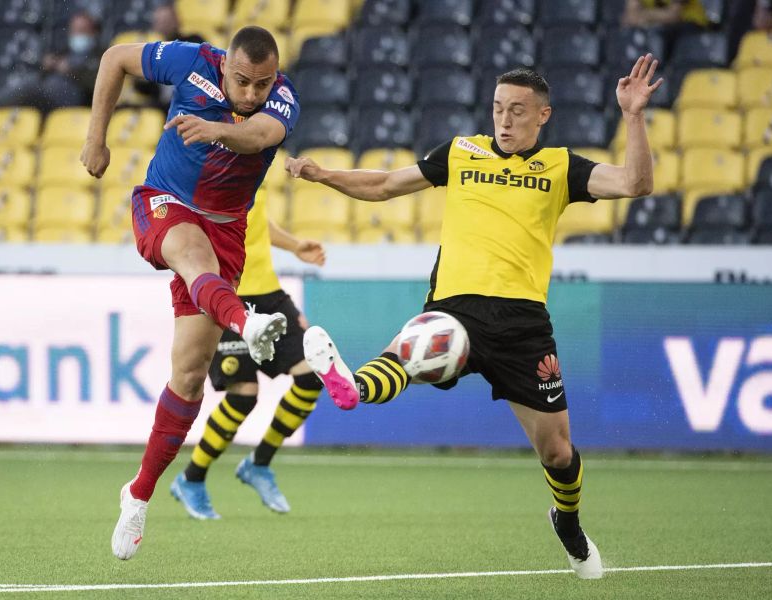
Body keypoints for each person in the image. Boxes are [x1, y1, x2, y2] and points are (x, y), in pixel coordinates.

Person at [286, 56, 663, 579]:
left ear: (543, 116)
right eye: (498, 109)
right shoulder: (460, 153)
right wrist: (322, 174)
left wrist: (633, 116)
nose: (504, 120)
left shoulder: (561, 167)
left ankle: (568, 522)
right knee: (415, 350)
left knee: (557, 452)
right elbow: (384, 185)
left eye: (517, 111)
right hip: (455, 308)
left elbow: (636, 183)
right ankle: (350, 385)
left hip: (523, 324)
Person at [80, 26, 300, 560]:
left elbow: (260, 136)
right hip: (165, 202)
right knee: (193, 255)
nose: (251, 94)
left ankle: (138, 494)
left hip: (227, 227)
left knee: (188, 375)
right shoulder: (189, 62)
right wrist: (95, 138)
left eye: (261, 84)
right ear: (225, 64)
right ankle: (246, 323)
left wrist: (214, 129)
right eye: (242, 82)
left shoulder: (283, 97)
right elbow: (114, 58)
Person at [170, 185, 326, 519]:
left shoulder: (259, 157)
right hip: (225, 292)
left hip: (269, 293)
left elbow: (255, 221)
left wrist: (295, 245)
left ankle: (260, 463)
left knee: (311, 377)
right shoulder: (208, 164)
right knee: (243, 395)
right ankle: (191, 478)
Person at [0, 12, 102, 113]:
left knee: (29, 89)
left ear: (94, 31)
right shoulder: (64, 52)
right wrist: (47, 68)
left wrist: (70, 70)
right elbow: (42, 76)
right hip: (47, 94)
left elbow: (97, 83)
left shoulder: (101, 55)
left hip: (73, 100)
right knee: (28, 82)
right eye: (73, 31)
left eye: (81, 31)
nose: (76, 35)